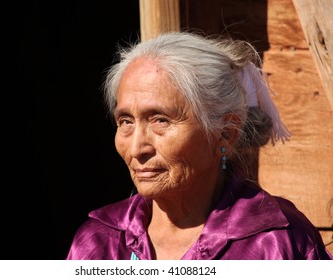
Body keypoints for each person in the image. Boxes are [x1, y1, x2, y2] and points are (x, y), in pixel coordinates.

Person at [66, 31, 332, 260]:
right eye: (125, 121)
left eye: (161, 120)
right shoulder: (99, 244)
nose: (136, 149)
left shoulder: (278, 244)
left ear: (225, 134)